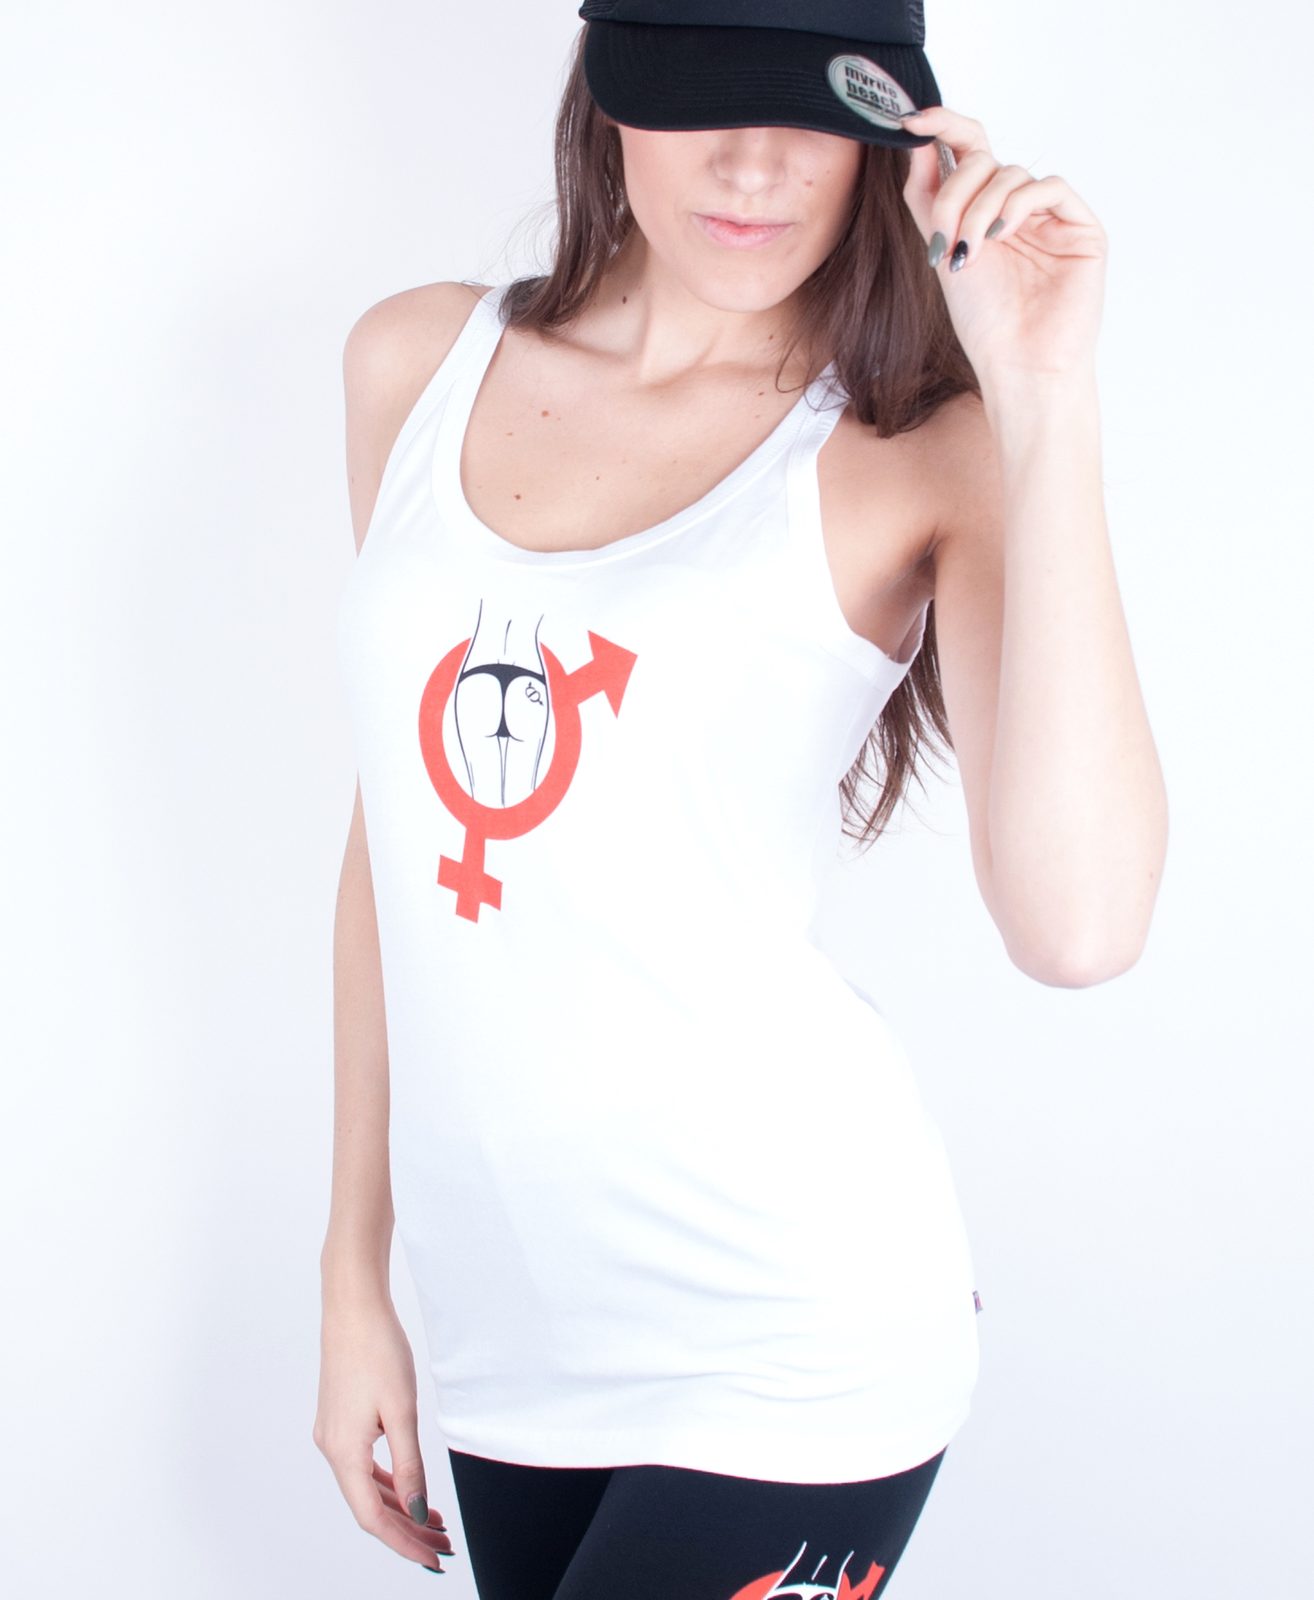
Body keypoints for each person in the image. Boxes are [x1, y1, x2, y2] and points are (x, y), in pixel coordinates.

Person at [314, 1, 1167, 1593]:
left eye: (814, 116)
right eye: (705, 101)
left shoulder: (917, 452)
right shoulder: (415, 362)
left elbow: (1080, 926)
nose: (757, 168)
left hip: (783, 1326)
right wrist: (351, 1275)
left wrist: (1043, 395)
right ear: (609, 95)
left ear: (890, 138)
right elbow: (402, 835)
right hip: (507, 1330)